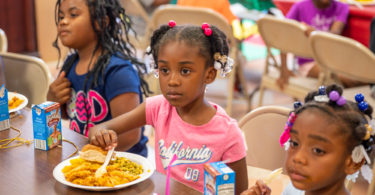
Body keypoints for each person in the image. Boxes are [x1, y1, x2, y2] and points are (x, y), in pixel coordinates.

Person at [89, 21, 249, 194]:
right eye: (165, 70)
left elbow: (240, 192)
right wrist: (101, 134)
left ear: (209, 75)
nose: (172, 81)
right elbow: (98, 129)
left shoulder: (228, 133)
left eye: (185, 71)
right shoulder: (157, 108)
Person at [47, 0, 150, 157]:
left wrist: (89, 153)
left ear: (101, 21)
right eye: (61, 16)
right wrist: (53, 100)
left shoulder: (118, 72)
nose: (63, 21)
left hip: (122, 163)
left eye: (73, 15)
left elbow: (130, 136)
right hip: (86, 155)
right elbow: (72, 113)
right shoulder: (71, 64)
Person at [242, 84, 375, 195]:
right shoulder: (293, 190)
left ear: (353, 163)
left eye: (317, 150)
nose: (298, 158)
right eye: (295, 143)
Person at [277, 0, 350, 89]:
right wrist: (283, 69)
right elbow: (283, 34)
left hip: (334, 59)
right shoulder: (299, 7)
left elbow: (335, 33)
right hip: (308, 63)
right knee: (349, 78)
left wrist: (315, 33)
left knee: (359, 74)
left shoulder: (342, 7)